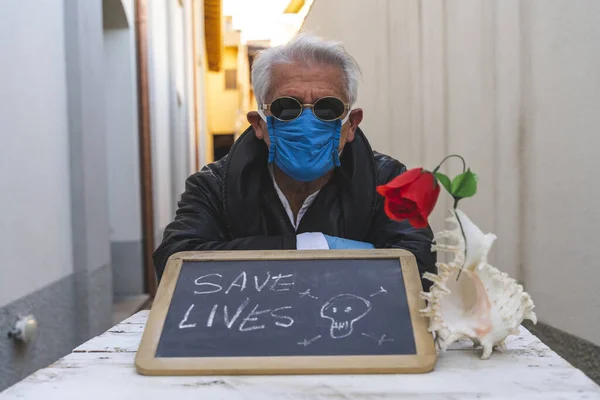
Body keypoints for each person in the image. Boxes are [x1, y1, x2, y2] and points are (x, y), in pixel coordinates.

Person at [152, 33, 436, 288]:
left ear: (351, 124)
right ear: (259, 124)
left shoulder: (389, 182)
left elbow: (419, 269)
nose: (308, 122)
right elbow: (175, 263)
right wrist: (317, 247)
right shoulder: (213, 187)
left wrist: (277, 253)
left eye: (328, 108)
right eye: (287, 107)